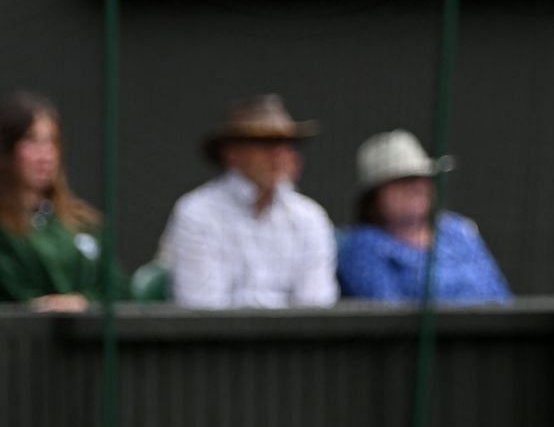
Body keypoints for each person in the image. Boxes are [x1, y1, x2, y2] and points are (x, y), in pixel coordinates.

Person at [158, 95, 338, 309]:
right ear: (232, 153)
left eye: (286, 143)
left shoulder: (310, 217)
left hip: (294, 343)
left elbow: (316, 307)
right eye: (265, 143)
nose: (279, 154)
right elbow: (202, 309)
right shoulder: (197, 212)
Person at [336, 131, 509, 303]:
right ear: (375, 196)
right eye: (403, 181)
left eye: (423, 178)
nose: (417, 187)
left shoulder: (458, 229)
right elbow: (389, 317)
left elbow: (500, 296)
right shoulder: (363, 245)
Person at [0, 93, 126, 310]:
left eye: (52, 142)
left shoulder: (82, 221)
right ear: (7, 150)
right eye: (31, 140)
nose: (45, 155)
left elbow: (119, 288)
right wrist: (39, 305)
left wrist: (84, 302)